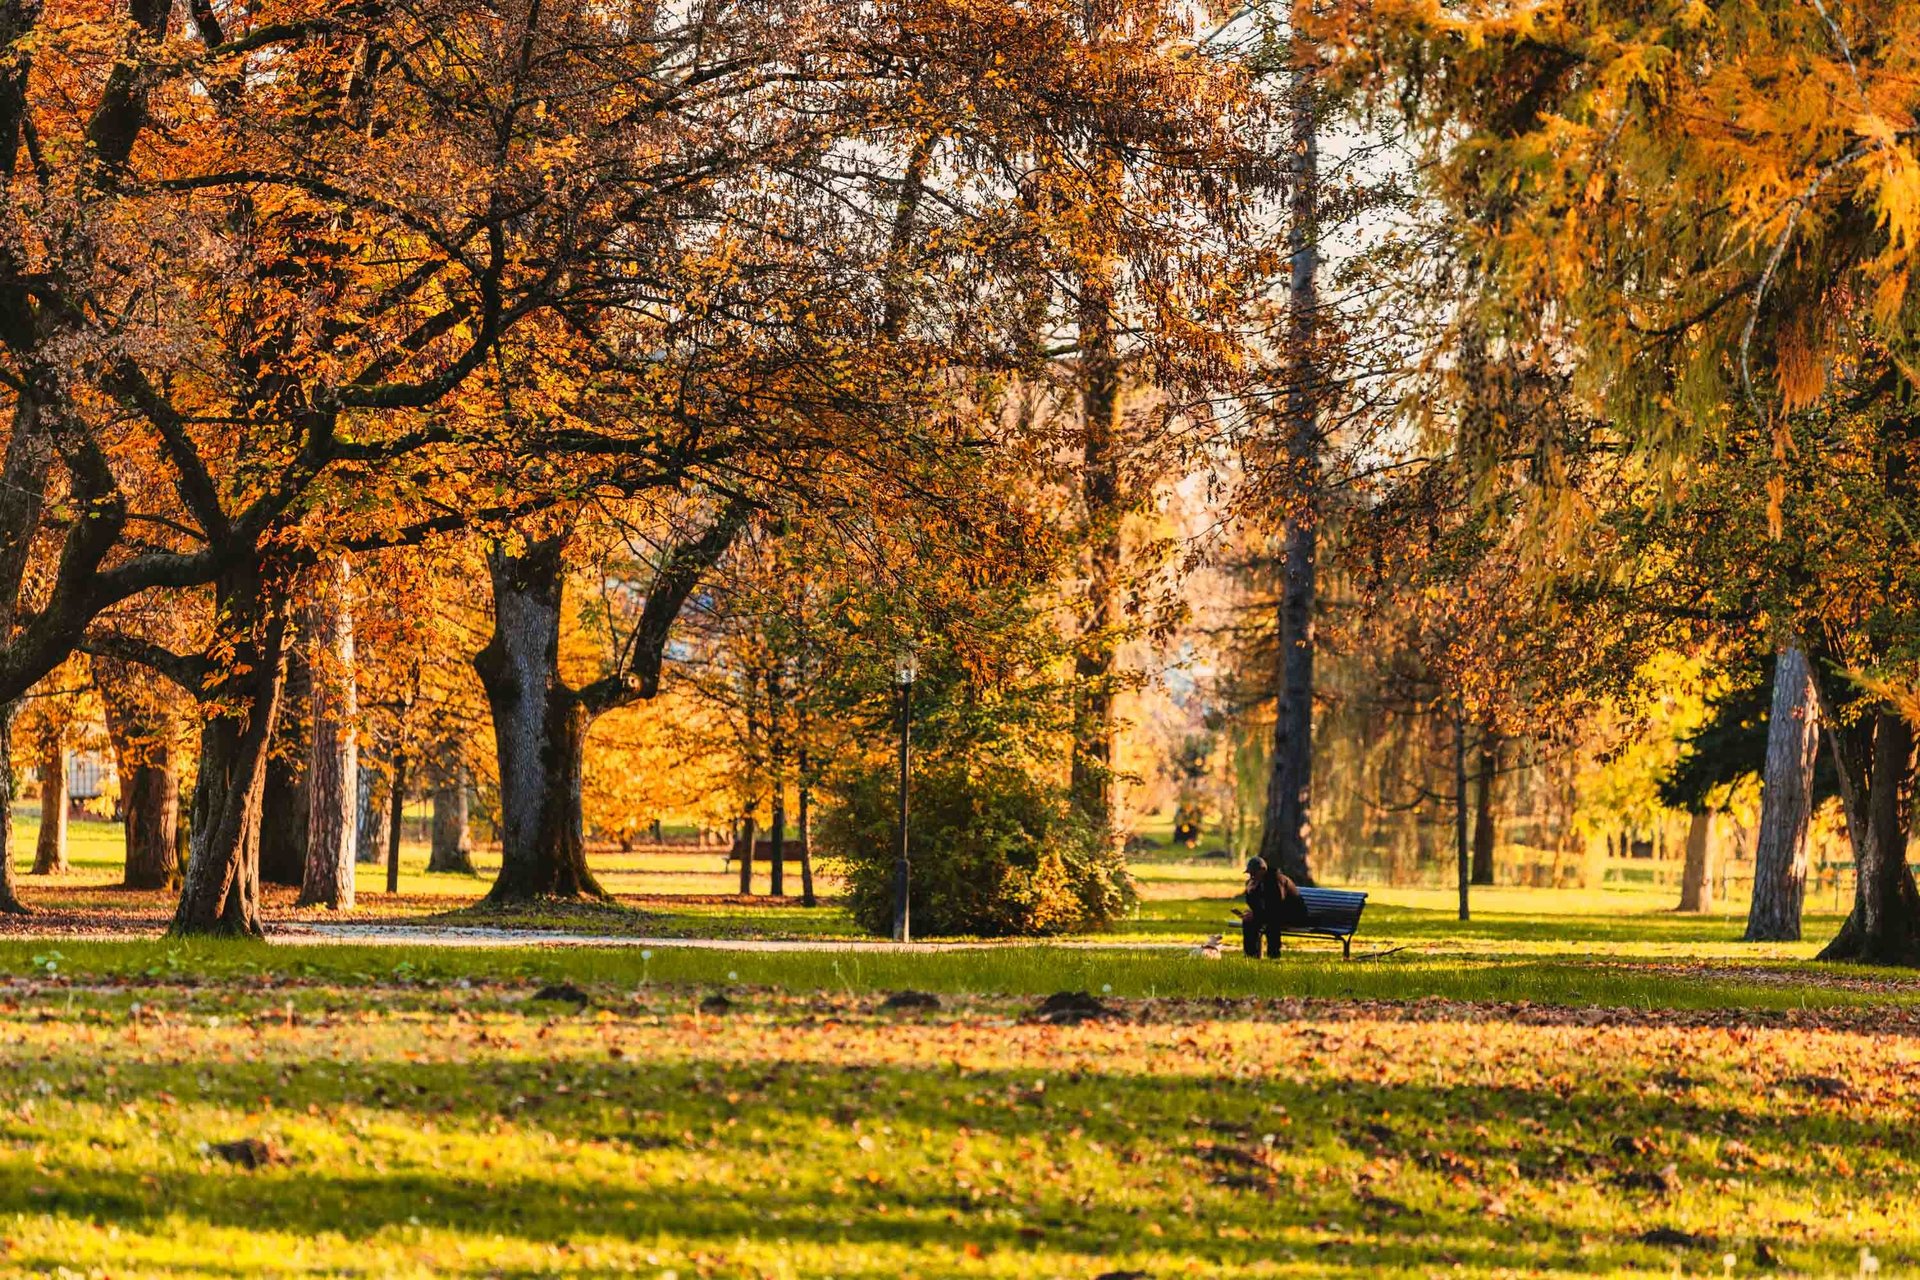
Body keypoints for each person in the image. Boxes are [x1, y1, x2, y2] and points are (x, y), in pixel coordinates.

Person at [1241, 855, 1307, 958]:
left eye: (1254, 873)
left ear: (1262, 870)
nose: (1252, 877)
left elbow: (1276, 906)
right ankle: (1250, 954)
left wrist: (1257, 914)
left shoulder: (1275, 880)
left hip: (1294, 915)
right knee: (1248, 921)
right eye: (1250, 874)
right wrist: (1250, 892)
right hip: (1276, 913)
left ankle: (1274, 954)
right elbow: (1256, 906)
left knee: (1272, 921)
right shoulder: (1259, 882)